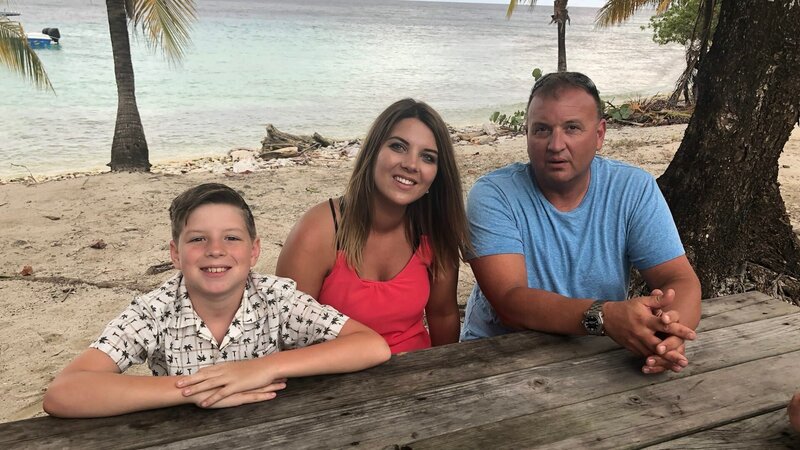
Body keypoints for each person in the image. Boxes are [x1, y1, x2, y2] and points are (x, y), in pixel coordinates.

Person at [43, 183, 390, 418]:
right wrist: (195, 390)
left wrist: (262, 367)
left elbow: (371, 346)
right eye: (197, 239)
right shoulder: (153, 311)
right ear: (175, 254)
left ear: (254, 251)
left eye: (231, 237)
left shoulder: (276, 298)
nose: (215, 250)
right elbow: (64, 392)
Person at [460, 72, 702, 375]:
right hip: (502, 356)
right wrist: (605, 316)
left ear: (599, 134)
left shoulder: (632, 188)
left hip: (599, 356)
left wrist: (667, 335)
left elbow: (679, 279)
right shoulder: (494, 194)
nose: (555, 144)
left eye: (572, 128)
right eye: (541, 130)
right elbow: (509, 302)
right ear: (527, 135)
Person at [276, 98, 470, 354]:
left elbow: (443, 314)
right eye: (398, 146)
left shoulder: (434, 231)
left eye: (427, 157)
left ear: (437, 173)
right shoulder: (320, 230)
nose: (411, 164)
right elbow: (286, 334)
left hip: (416, 375)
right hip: (332, 382)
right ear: (373, 151)